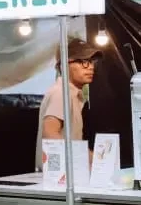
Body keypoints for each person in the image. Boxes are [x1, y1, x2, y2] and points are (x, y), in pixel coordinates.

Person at [36, 37, 100, 170]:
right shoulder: (61, 93)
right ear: (64, 65)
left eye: (91, 61)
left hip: (65, 174)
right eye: (83, 62)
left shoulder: (71, 94)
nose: (91, 67)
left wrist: (95, 160)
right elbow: (50, 133)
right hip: (58, 177)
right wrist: (89, 159)